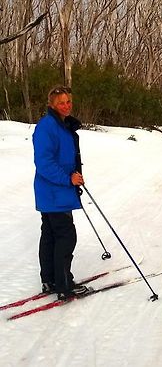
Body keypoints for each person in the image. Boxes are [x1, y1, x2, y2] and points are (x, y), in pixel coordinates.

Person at [32, 85, 89, 300]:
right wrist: (68, 179)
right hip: (54, 191)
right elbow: (44, 162)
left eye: (68, 102)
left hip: (55, 191)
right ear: (51, 105)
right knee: (66, 236)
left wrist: (74, 175)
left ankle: (50, 280)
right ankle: (64, 285)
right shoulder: (47, 127)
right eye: (61, 103)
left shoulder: (62, 126)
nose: (66, 106)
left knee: (50, 235)